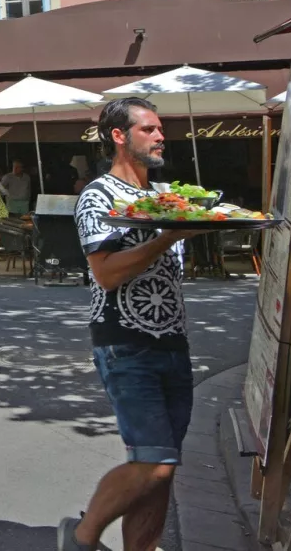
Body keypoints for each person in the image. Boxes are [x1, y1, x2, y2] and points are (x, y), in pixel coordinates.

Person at [60, 98, 204, 551]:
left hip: (172, 341)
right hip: (124, 342)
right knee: (156, 462)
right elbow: (105, 272)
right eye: (149, 129)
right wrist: (167, 238)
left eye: (161, 129)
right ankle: (81, 536)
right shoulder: (98, 196)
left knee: (164, 468)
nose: (161, 136)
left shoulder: (162, 199)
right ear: (119, 136)